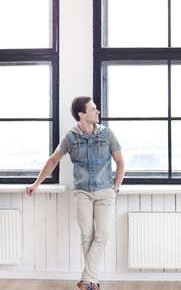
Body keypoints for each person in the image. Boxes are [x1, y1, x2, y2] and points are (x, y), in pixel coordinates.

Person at [26, 96, 125, 290]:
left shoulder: (107, 134)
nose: (98, 112)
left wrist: (116, 189)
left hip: (106, 192)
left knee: (103, 234)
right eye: (93, 109)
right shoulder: (70, 138)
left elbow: (121, 162)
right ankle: (91, 282)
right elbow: (53, 160)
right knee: (87, 236)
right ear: (82, 114)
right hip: (83, 193)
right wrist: (36, 184)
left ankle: (86, 278)